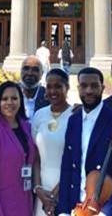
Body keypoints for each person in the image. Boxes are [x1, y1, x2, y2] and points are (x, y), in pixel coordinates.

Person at [57, 67, 112, 216]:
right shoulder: (73, 121)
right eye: (84, 86)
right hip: (76, 208)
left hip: (103, 208)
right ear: (78, 88)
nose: (89, 91)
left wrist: (108, 212)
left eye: (94, 86)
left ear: (102, 88)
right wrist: (63, 211)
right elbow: (67, 168)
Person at [0, 80, 36, 216]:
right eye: (5, 99)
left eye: (14, 98)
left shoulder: (26, 126)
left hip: (23, 203)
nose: (10, 102)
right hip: (0, 204)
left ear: (21, 101)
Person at [32, 68, 73, 216]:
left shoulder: (76, 115)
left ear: (67, 88)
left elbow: (76, 158)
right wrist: (38, 188)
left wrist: (57, 193)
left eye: (58, 86)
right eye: (49, 86)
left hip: (67, 187)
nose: (52, 91)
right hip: (42, 192)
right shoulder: (39, 115)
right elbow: (35, 157)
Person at [20, 55, 49, 120]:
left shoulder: (48, 97)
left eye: (35, 70)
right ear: (21, 71)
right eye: (26, 68)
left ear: (42, 74)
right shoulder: (10, 94)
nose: (30, 73)